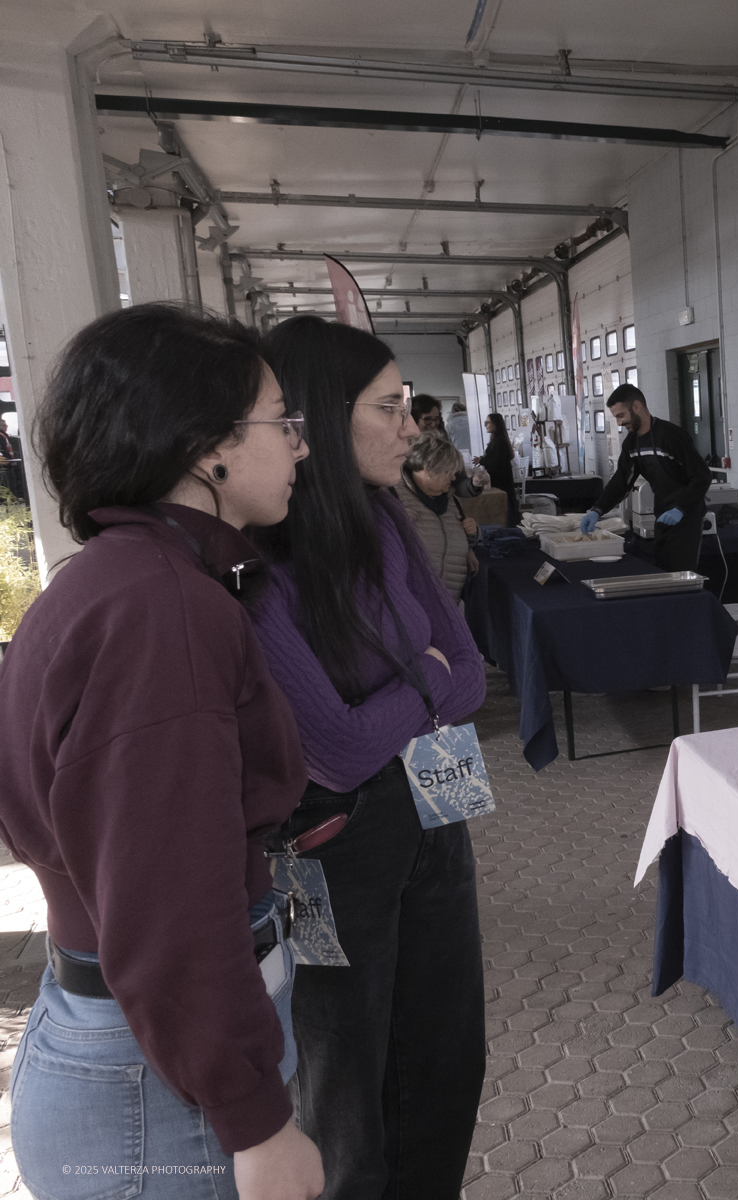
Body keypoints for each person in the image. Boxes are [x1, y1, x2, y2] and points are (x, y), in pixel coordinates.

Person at [0, 304, 321, 1199]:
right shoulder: (164, 610)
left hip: (130, 1045)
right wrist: (256, 1121)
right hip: (159, 1090)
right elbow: (170, 900)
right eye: (280, 422)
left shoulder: (112, 580)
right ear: (205, 448)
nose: (300, 446)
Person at [253, 316, 488, 1200]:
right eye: (388, 407)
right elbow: (337, 748)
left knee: (445, 1058)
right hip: (335, 841)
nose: (411, 427)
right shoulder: (263, 559)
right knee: (347, 1086)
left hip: (435, 805)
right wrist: (420, 683)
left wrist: (411, 689)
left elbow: (466, 672)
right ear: (316, 417)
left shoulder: (387, 519)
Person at [578, 383, 711, 571]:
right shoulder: (631, 443)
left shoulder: (671, 436)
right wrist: (597, 509)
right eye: (615, 417)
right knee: (663, 571)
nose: (618, 423)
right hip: (662, 515)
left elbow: (702, 476)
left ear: (637, 407)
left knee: (681, 576)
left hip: (687, 516)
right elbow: (622, 481)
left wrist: (681, 509)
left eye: (620, 415)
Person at [397, 429, 479, 597]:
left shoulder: (447, 496)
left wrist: (472, 539)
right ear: (429, 470)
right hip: (415, 599)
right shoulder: (395, 497)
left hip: (449, 598)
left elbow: (456, 532)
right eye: (448, 473)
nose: (454, 478)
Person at [480, 410, 520, 526]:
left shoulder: (500, 441)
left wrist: (483, 460)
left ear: (495, 424)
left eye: (488, 422)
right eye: (485, 423)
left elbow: (496, 462)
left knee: (506, 509)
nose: (486, 425)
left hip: (502, 481)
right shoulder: (495, 440)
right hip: (499, 480)